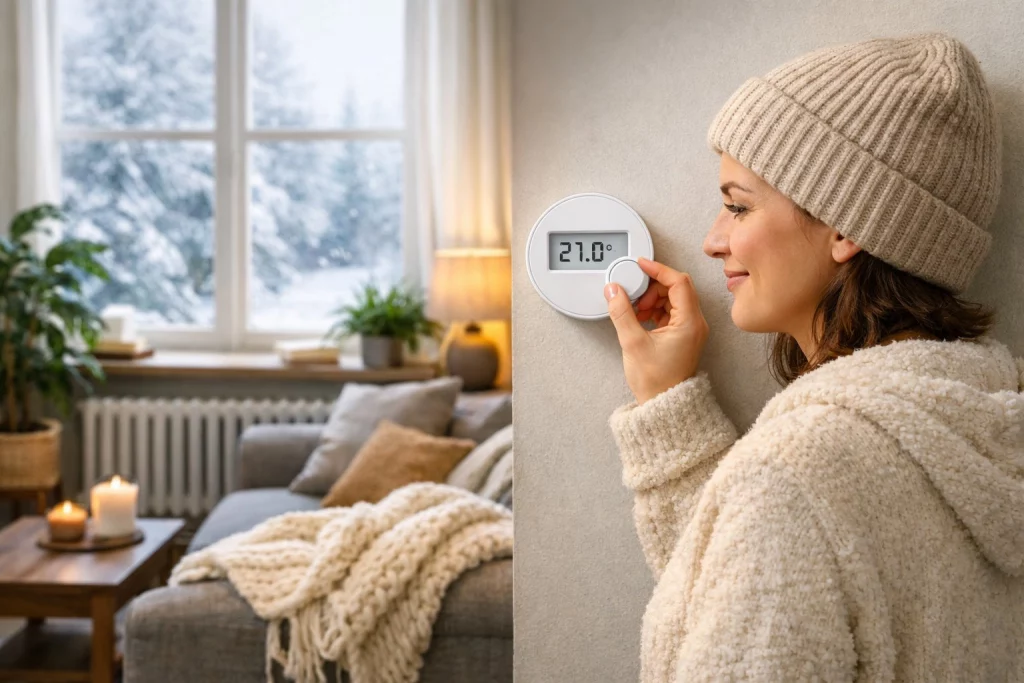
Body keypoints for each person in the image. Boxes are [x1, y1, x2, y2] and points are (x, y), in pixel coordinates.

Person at [604, 32, 1024, 683]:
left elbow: (774, 567)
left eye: (737, 205)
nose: (713, 240)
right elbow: (744, 588)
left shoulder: (795, 474)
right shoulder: (989, 426)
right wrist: (668, 408)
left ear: (847, 226)